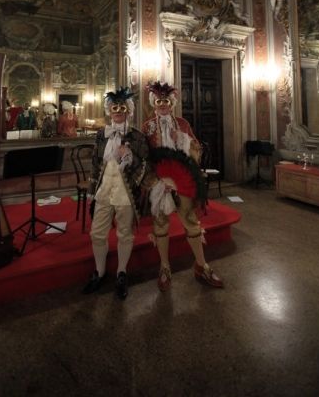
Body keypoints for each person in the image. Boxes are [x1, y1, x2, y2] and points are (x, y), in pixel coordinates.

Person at [142, 81, 224, 291]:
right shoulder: (148, 127)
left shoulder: (182, 123)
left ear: (172, 103)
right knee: (161, 225)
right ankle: (165, 267)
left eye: (166, 101)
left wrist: (183, 140)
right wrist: (157, 180)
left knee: (191, 221)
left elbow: (196, 150)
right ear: (154, 103)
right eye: (159, 101)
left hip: (182, 182)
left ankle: (201, 265)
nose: (163, 105)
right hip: (159, 183)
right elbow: (144, 157)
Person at [82, 87, 149, 300]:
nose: (118, 112)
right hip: (104, 190)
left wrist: (130, 157)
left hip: (125, 192)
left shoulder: (137, 136)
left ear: (128, 110)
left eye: (122, 108)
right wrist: (91, 190)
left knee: (125, 234)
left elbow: (145, 164)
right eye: (114, 108)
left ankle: (121, 272)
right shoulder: (102, 134)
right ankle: (99, 271)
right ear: (109, 110)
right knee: (97, 233)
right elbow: (95, 164)